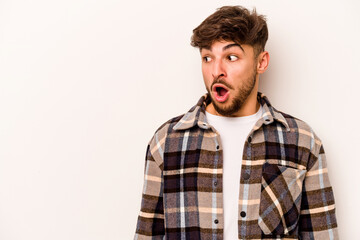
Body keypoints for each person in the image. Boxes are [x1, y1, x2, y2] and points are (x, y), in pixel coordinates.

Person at [134, 5, 338, 240]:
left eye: (231, 57)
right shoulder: (166, 143)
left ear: (261, 62)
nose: (216, 71)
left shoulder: (302, 142)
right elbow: (147, 235)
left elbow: (324, 235)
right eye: (207, 58)